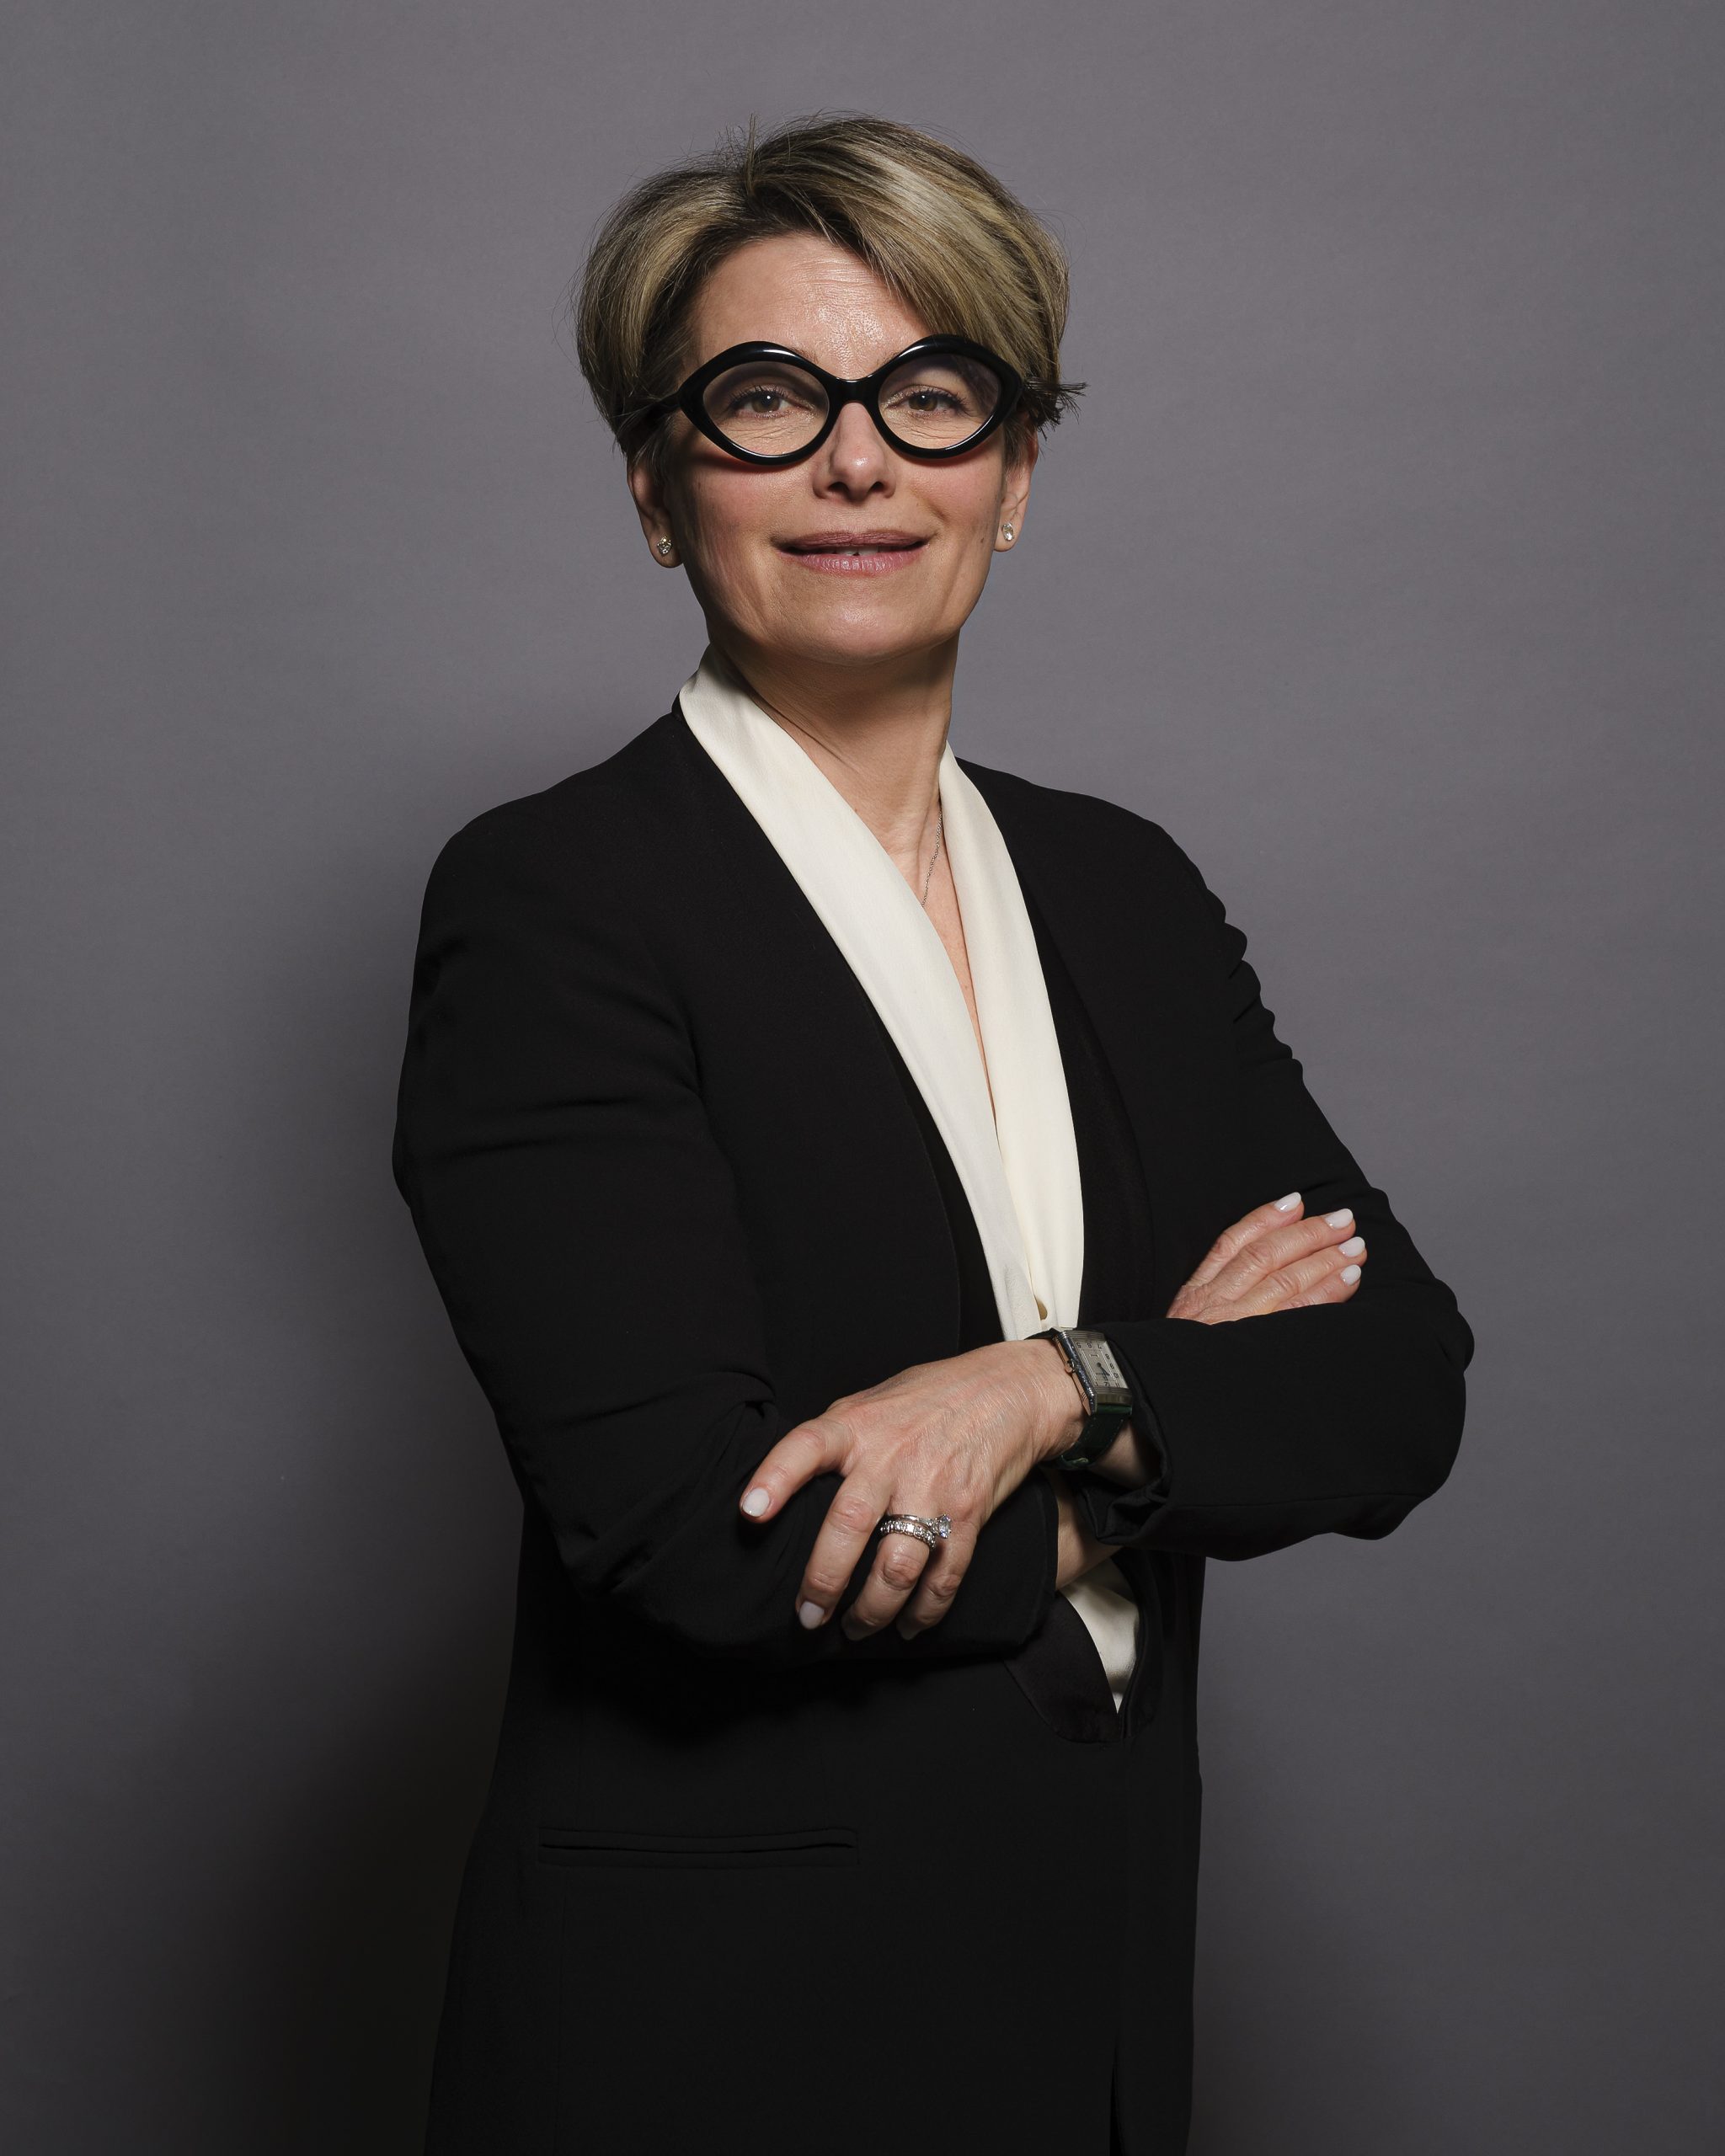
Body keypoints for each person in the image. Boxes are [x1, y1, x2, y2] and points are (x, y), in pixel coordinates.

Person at [391, 111, 1473, 2156]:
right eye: (766, 399)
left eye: (931, 395)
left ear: (1015, 474)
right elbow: (696, 1543)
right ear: (655, 486)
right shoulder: (556, 899)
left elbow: (1393, 1382)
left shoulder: (1122, 889)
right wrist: (1163, 1420)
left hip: (1091, 2006)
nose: (858, 462)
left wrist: (1042, 1386)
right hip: (715, 2036)